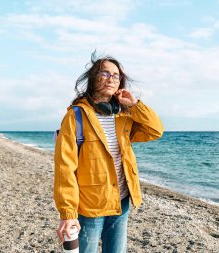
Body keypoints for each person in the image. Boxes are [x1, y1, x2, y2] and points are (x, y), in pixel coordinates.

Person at [54, 52, 164, 253]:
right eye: (104, 73)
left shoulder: (124, 116)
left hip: (121, 201)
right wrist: (68, 212)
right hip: (90, 206)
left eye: (116, 75)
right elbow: (65, 168)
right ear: (93, 78)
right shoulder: (75, 116)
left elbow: (155, 130)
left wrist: (134, 105)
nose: (111, 79)